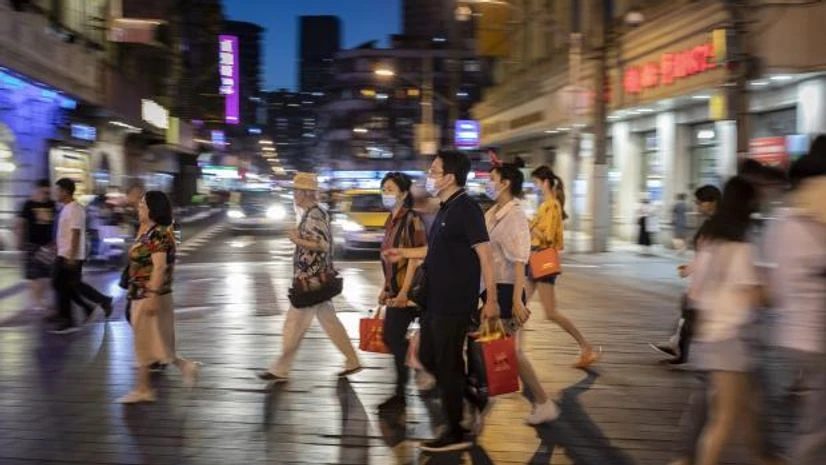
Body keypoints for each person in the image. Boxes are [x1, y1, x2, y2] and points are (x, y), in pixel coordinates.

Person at [385, 151, 499, 453]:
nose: (429, 175)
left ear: (449, 177)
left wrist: (492, 301)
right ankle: (471, 397)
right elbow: (433, 252)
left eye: (434, 171)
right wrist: (404, 254)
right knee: (429, 357)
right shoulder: (446, 208)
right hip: (434, 303)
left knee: (448, 366)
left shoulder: (467, 209)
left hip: (454, 304)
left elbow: (486, 255)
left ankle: (455, 431)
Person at [675, 176, 773, 465]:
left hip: (711, 336)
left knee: (746, 411)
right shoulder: (741, 248)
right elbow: (758, 296)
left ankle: (766, 457)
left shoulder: (712, 241)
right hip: (730, 340)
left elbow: (697, 291)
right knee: (725, 420)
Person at [257, 172, 362, 383]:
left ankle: (280, 368)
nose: (294, 195)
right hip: (314, 279)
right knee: (329, 323)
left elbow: (322, 245)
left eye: (297, 191)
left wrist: (297, 239)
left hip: (311, 280)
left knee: (293, 324)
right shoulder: (310, 213)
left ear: (307, 193)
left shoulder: (315, 214)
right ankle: (352, 361)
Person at [762, 138, 826, 465]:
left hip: (784, 336)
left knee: (802, 426)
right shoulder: (820, 214)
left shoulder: (781, 219)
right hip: (815, 337)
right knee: (814, 432)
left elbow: (771, 282)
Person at [482, 158, 560, 425]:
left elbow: (519, 261)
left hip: (506, 291)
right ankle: (488, 401)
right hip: (491, 289)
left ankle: (542, 401)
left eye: (492, 179)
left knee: (510, 351)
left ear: (505, 184)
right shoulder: (494, 212)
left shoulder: (514, 216)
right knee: (493, 348)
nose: (488, 183)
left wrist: (517, 299)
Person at [117, 191, 199, 403]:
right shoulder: (150, 230)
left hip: (149, 294)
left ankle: (144, 389)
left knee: (144, 342)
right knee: (157, 342)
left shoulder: (160, 233)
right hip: (144, 293)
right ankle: (185, 367)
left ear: (154, 208)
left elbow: (160, 266)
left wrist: (152, 295)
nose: (139, 207)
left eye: (143, 205)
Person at [527, 165, 599, 368]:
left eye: (536, 183)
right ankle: (511, 352)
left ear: (546, 182)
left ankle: (586, 348)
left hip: (542, 259)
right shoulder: (547, 205)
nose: (535, 187)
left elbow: (548, 237)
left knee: (550, 313)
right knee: (519, 307)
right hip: (534, 259)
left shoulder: (552, 206)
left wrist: (530, 225)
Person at [651, 184, 722, 364]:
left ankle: (680, 346)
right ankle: (678, 344)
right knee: (689, 311)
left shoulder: (716, 225)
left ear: (713, 202)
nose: (698, 207)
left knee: (694, 313)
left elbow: (707, 255)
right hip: (706, 279)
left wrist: (689, 270)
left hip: (709, 281)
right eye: (697, 203)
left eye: (701, 203)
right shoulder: (712, 223)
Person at [377, 172, 428, 412]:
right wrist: (386, 288)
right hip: (396, 289)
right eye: (383, 189)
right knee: (392, 337)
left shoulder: (411, 219)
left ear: (404, 193)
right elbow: (389, 258)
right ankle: (404, 387)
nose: (385, 193)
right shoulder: (391, 220)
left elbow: (415, 257)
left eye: (390, 189)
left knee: (393, 336)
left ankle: (406, 387)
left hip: (414, 292)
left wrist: (404, 292)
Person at [49, 178, 113, 334]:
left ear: (65, 191)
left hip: (71, 254)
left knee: (62, 284)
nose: (56, 193)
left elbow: (76, 233)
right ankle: (94, 305)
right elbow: (64, 232)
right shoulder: (65, 208)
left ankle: (69, 319)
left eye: (58, 190)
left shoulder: (75, 209)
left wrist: (71, 256)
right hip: (64, 252)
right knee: (69, 284)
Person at [15, 179, 56, 310]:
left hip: (48, 245)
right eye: (43, 192)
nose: (46, 195)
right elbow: (20, 224)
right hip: (32, 244)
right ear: (37, 190)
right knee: (34, 275)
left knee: (46, 275)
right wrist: (19, 241)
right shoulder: (28, 205)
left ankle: (40, 299)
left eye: (48, 193)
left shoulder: (52, 204)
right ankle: (37, 302)